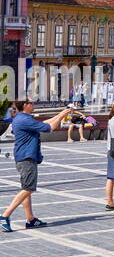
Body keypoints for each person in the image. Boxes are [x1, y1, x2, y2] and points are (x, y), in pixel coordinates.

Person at [1, 99, 74, 232]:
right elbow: (50, 128)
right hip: (27, 157)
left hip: (23, 157)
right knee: (28, 189)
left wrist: (60, 114)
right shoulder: (25, 119)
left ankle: (31, 219)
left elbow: (43, 124)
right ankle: (5, 216)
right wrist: (62, 115)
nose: (33, 105)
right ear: (25, 106)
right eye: (31, 103)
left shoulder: (22, 118)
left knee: (26, 189)